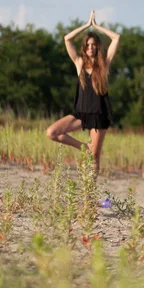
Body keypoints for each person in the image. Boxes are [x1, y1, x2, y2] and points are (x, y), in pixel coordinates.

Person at [46, 10, 120, 172]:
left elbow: (116, 38)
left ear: (98, 47)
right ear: (84, 48)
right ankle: (83, 147)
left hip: (99, 116)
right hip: (80, 114)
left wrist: (98, 27)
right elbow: (67, 39)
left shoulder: (104, 65)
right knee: (52, 132)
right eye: (88, 45)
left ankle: (90, 195)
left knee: (95, 158)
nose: (91, 48)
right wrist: (87, 26)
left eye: (94, 45)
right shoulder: (79, 63)